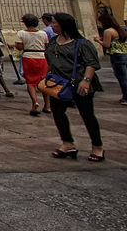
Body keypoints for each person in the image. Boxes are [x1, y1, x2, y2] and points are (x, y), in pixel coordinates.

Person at [45, 12, 103, 162]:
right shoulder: (53, 42)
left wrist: (86, 80)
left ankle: (97, 147)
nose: (52, 25)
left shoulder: (81, 43)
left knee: (87, 114)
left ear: (64, 25)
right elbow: (51, 62)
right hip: (59, 84)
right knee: (58, 112)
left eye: (54, 23)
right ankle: (67, 143)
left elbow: (91, 63)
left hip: (79, 83)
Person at [15, 13, 50, 116]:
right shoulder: (43, 33)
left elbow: (20, 47)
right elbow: (46, 45)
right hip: (42, 57)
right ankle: (47, 106)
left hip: (28, 57)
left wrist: (17, 45)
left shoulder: (21, 33)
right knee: (44, 81)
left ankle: (35, 102)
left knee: (30, 82)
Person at [93, 4, 127, 106]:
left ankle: (126, 97)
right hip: (125, 54)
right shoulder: (120, 30)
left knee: (122, 77)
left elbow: (107, 45)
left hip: (116, 55)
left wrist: (98, 41)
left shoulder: (108, 31)